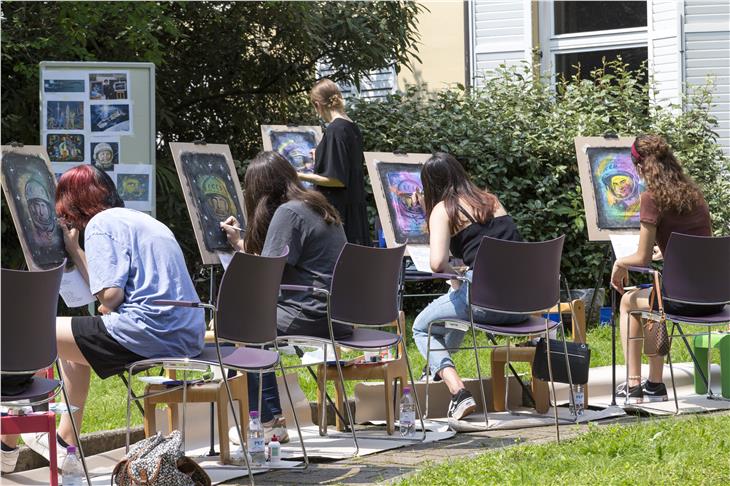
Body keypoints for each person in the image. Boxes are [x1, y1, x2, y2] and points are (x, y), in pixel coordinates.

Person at [14, 165, 205, 468]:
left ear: (71, 202)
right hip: (184, 332)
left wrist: (74, 250)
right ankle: (65, 439)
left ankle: (10, 435)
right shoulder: (140, 219)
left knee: (34, 329)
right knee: (71, 347)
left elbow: (111, 296)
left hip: (150, 331)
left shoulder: (102, 224)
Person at [220, 151, 348, 443]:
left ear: (259, 189)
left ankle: (267, 423)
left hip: (309, 312)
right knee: (249, 329)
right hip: (336, 314)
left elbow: (266, 274)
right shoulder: (316, 205)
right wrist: (240, 243)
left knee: (237, 331)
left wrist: (238, 248)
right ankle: (270, 419)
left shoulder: (287, 212)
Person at [411, 152, 528, 421]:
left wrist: (454, 274)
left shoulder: (444, 209)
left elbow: (437, 263)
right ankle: (436, 369)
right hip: (523, 305)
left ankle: (458, 392)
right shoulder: (491, 201)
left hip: (487, 304)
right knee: (455, 314)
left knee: (420, 327)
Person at [611, 134, 719, 403]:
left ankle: (634, 383)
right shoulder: (695, 195)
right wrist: (668, 252)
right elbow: (703, 247)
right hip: (713, 299)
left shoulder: (651, 198)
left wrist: (619, 263)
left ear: (639, 167)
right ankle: (655, 384)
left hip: (681, 302)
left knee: (628, 301)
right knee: (654, 298)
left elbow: (642, 259)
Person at [298, 78, 371, 246]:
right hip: (353, 211)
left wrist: (298, 175)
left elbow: (336, 180)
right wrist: (321, 156)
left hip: (339, 214)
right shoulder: (351, 127)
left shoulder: (334, 130)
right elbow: (346, 165)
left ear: (317, 105)